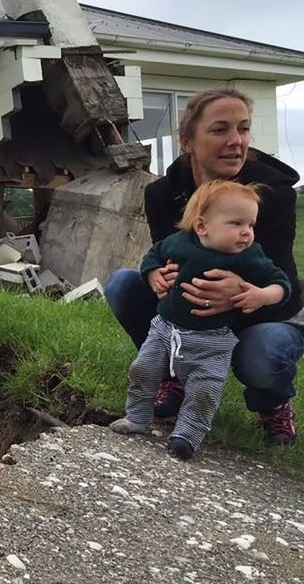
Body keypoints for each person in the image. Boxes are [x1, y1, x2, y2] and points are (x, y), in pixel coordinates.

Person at [107, 88, 304, 447]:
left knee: (263, 354)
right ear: (187, 141)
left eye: (243, 129)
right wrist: (157, 276)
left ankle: (273, 404)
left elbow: (282, 283)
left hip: (266, 313)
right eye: (220, 130)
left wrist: (242, 294)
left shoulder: (274, 194)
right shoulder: (162, 195)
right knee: (122, 285)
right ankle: (175, 374)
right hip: (191, 309)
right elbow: (163, 254)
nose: (236, 141)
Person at [110, 180, 290, 459]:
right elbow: (153, 256)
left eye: (251, 225)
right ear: (202, 226)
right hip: (164, 330)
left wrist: (262, 295)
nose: (247, 233)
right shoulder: (179, 243)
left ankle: (187, 436)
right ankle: (137, 416)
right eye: (237, 224)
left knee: (205, 391)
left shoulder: (250, 257)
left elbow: (280, 283)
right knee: (142, 371)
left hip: (213, 342)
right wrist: (153, 274)